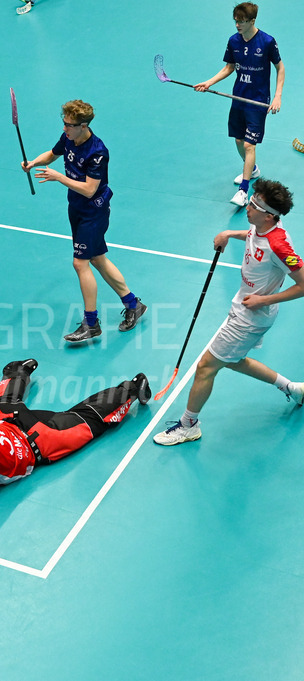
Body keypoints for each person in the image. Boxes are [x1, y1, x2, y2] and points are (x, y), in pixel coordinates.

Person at [154, 179, 303, 446]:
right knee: (233, 359)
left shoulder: (279, 245)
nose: (248, 207)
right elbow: (252, 235)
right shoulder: (261, 225)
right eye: (251, 201)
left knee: (205, 367)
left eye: (254, 205)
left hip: (252, 317)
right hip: (243, 306)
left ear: (269, 216)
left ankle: (188, 425)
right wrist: (229, 234)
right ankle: (291, 388)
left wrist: (263, 299)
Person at [0, 359, 151, 511]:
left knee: (87, 420)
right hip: (9, 421)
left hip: (41, 440)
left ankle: (131, 388)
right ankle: (18, 372)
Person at [22, 100, 147, 343]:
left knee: (80, 263)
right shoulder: (69, 137)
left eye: (69, 125)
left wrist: (59, 177)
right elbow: (52, 154)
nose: (65, 128)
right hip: (76, 207)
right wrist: (34, 163)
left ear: (84, 125)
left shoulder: (97, 152)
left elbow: (90, 190)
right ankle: (133, 304)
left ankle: (91, 323)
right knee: (97, 259)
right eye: (64, 123)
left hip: (93, 211)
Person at [194, 3, 285, 207]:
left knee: (249, 145)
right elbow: (229, 67)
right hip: (239, 97)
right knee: (238, 140)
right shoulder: (233, 41)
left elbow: (280, 68)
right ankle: (252, 170)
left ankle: (243, 191)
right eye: (235, 21)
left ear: (252, 21)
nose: (237, 25)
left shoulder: (267, 41)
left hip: (258, 101)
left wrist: (277, 96)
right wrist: (209, 82)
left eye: (241, 21)